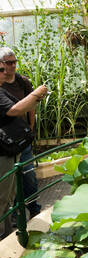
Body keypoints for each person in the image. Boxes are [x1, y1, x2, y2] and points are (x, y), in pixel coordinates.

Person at [0, 48, 44, 219]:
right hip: (6, 144)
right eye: (6, 64)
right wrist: (37, 94)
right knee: (9, 185)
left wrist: (30, 129)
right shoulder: (2, 89)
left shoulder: (22, 82)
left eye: (14, 62)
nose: (11, 67)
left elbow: (29, 108)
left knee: (28, 176)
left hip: (21, 139)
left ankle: (34, 210)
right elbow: (15, 109)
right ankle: (14, 218)